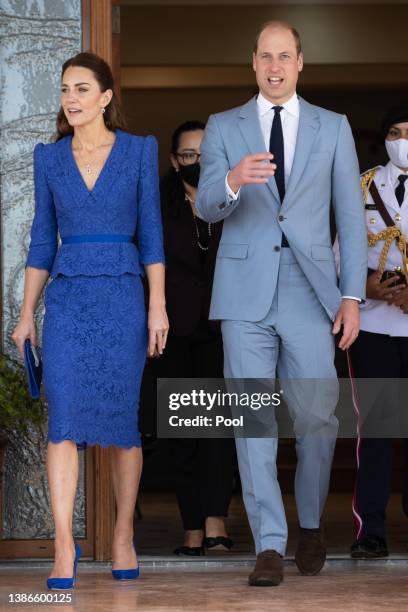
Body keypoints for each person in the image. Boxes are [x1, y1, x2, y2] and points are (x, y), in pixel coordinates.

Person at [196, 20, 367, 586]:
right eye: (265, 57)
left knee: (318, 418)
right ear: (253, 63)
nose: (274, 66)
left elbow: (351, 218)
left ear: (300, 63)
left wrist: (351, 296)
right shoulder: (224, 126)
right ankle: (269, 544)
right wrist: (231, 182)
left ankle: (312, 524)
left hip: (310, 292)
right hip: (244, 293)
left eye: (284, 56)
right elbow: (206, 211)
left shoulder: (333, 126)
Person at [11, 52, 168, 588]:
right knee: (63, 424)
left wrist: (158, 305)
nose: (70, 99)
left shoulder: (140, 152)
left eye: (81, 89)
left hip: (124, 298)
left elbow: (151, 235)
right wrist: (27, 313)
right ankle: (63, 545)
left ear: (105, 97)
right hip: (69, 302)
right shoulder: (48, 159)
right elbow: (40, 240)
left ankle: (123, 534)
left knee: (123, 427)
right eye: (64, 90)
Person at [156, 121, 235, 555]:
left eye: (205, 154)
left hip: (227, 329)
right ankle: (191, 524)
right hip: (174, 331)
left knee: (220, 429)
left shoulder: (235, 200)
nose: (197, 162)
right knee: (183, 431)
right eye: (188, 155)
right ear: (174, 161)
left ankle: (216, 519)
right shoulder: (157, 206)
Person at [346, 105, 408, 558]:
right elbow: (337, 252)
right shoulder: (360, 185)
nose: (401, 140)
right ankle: (371, 530)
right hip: (375, 322)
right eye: (395, 132)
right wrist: (362, 286)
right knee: (378, 430)